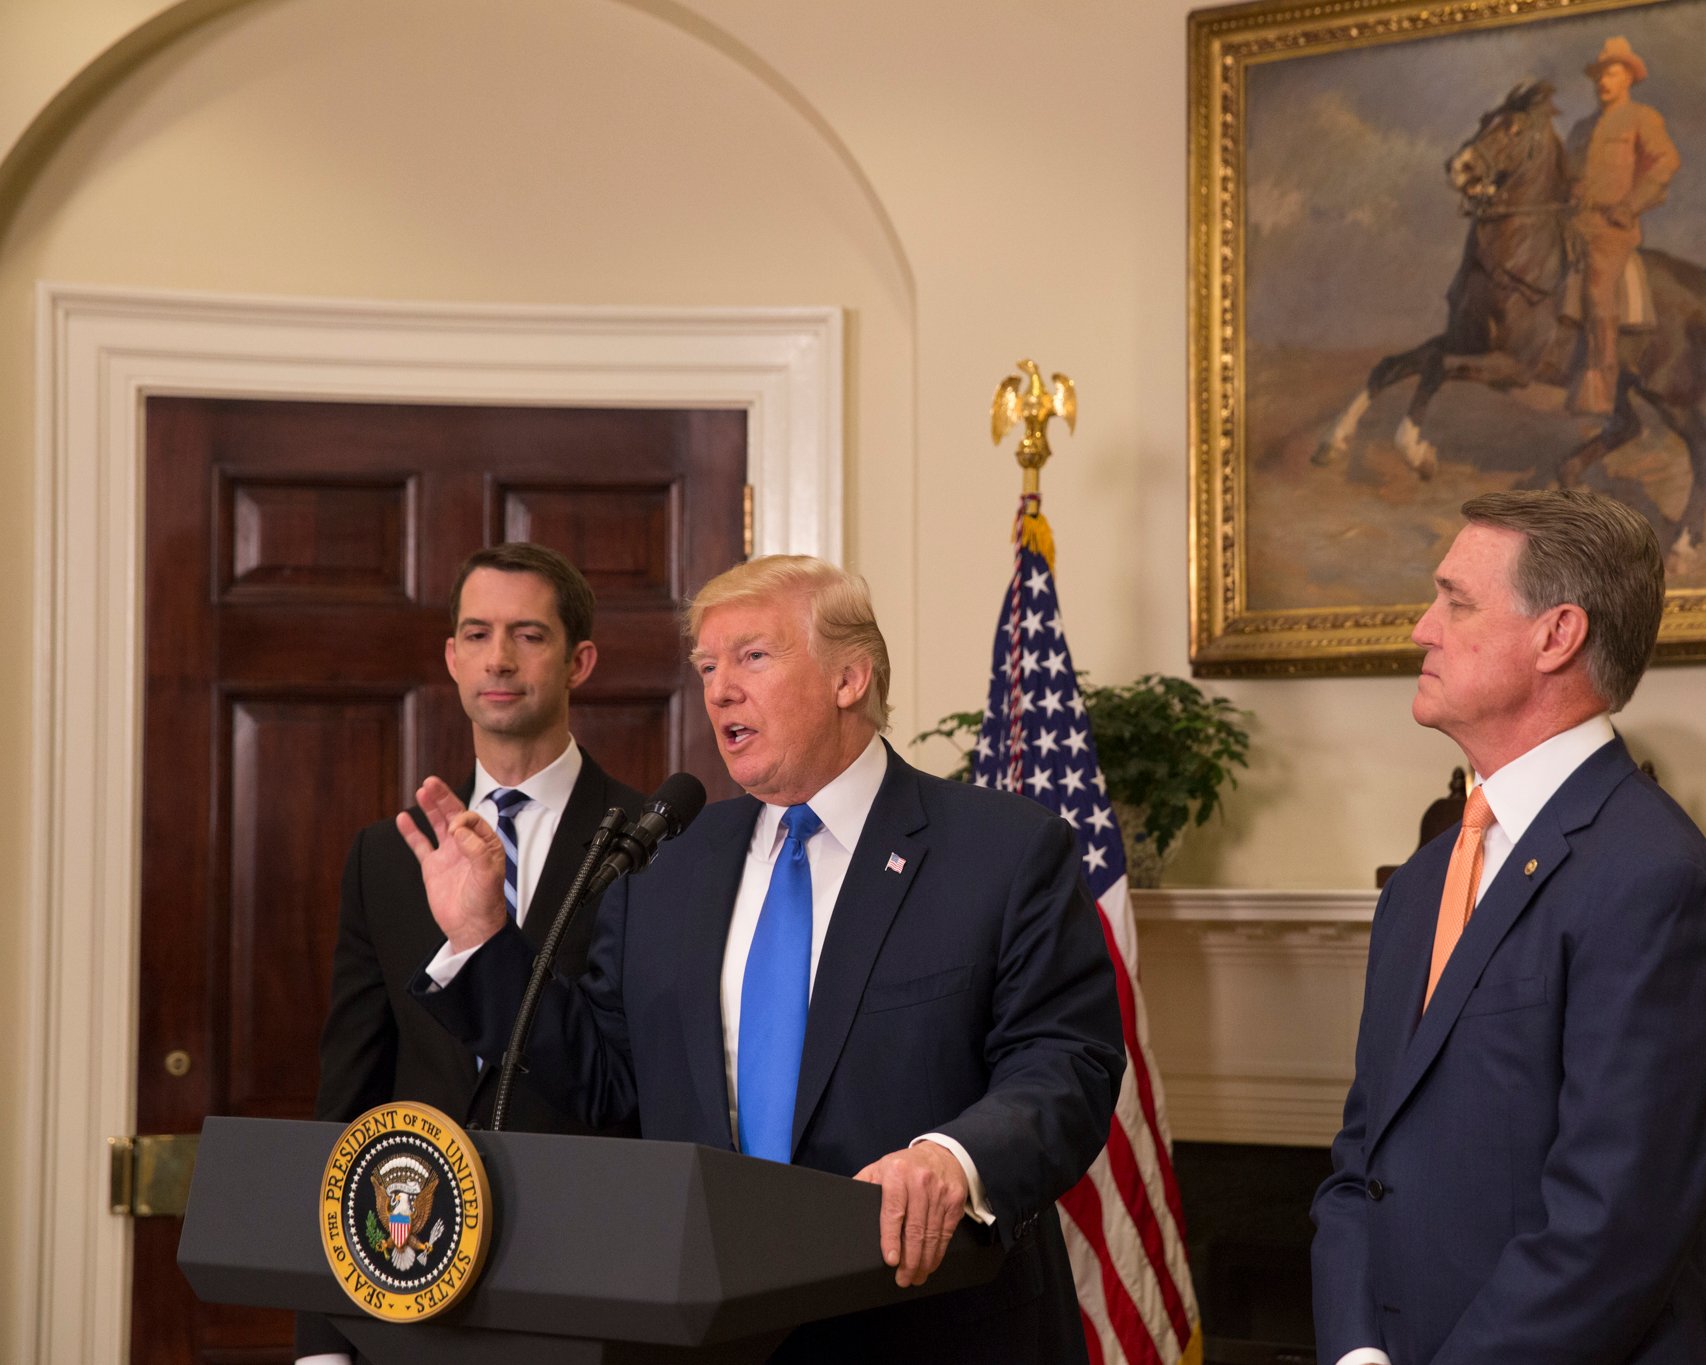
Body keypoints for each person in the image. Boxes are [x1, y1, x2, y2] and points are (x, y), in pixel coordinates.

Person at [406, 554, 1124, 1362]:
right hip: (713, 1332)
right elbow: (603, 1077)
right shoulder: (669, 863)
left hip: (929, 1322)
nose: (718, 690)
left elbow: (1067, 1059)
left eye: (752, 656)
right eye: (708, 666)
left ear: (850, 676)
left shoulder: (1001, 851)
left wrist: (953, 1157)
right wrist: (481, 938)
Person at [1310, 491, 1706, 1365]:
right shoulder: (1420, 885)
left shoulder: (1660, 885)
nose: (1420, 628)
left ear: (1557, 635)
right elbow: (1360, 1162)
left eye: (1456, 600)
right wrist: (1358, 1353)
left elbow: (1607, 1231)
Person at [296, 542, 642, 1364]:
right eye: (477, 633)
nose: (499, 657)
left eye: (528, 634)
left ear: (579, 660)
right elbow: (348, 1100)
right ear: (451, 656)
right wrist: (321, 1339)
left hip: (590, 1289)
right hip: (406, 1286)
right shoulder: (388, 857)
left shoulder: (652, 845)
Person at [1563, 35, 1680, 415]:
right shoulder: (1582, 128)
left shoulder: (1642, 118)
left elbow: (1665, 163)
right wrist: (1572, 188)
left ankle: (1602, 379)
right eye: (1599, 75)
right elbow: (1569, 173)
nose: (1602, 82)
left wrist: (1631, 205)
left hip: (1613, 228)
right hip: (1575, 222)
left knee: (1598, 290)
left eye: (1610, 74)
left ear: (1628, 77)